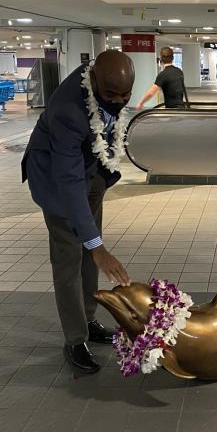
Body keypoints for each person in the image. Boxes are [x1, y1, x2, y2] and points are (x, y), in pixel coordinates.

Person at [22, 50, 133, 374]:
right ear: (94, 80)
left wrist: (95, 246)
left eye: (126, 95)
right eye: (111, 95)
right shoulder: (68, 112)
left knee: (90, 250)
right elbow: (68, 182)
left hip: (90, 170)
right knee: (71, 256)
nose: (120, 101)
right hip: (57, 181)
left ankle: (88, 318)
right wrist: (98, 248)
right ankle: (74, 339)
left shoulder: (110, 82)